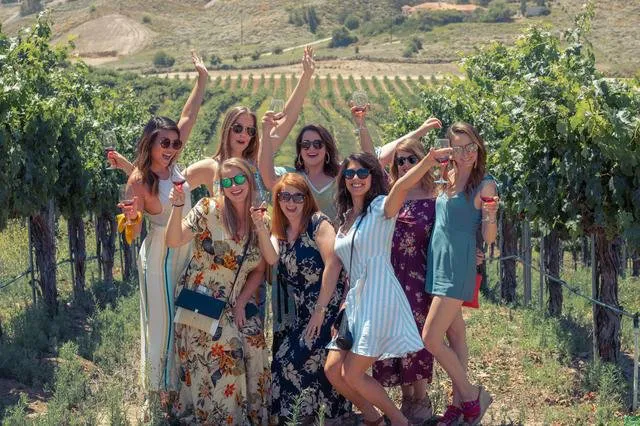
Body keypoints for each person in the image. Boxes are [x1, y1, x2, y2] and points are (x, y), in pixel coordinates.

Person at [324, 151, 449, 426]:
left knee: (352, 373)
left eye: (362, 173)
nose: (355, 179)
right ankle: (374, 418)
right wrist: (335, 308)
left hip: (378, 299)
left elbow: (402, 186)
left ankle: (396, 421)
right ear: (343, 179)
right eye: (349, 174)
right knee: (333, 370)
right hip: (354, 304)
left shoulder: (381, 207)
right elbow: (343, 266)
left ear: (373, 177)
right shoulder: (346, 218)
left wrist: (428, 161)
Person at [117, 52, 208, 397]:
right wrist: (131, 219)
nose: (171, 147)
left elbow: (188, 115)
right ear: (150, 144)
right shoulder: (140, 180)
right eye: (164, 143)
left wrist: (202, 80)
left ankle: (177, 389)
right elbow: (134, 231)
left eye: (175, 143)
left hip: (185, 251)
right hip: (158, 255)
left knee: (181, 317)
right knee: (161, 321)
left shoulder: (174, 165)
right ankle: (159, 393)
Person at [165, 158, 270, 425]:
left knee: (255, 342)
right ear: (219, 186)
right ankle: (223, 418)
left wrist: (241, 302)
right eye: (226, 182)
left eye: (239, 179)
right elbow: (174, 239)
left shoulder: (259, 217)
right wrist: (177, 206)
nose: (233, 186)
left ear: (249, 179)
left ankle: (252, 415)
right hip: (202, 299)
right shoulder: (207, 209)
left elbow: (259, 269)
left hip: (234, 300)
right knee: (226, 351)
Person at [251, 172, 351, 425]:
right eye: (285, 197)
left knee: (294, 362)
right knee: (283, 362)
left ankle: (324, 417)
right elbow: (272, 258)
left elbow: (334, 264)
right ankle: (302, 418)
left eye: (298, 196)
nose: (291, 203)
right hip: (299, 312)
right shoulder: (281, 229)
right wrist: (261, 227)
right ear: (278, 200)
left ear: (307, 199)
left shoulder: (318, 223)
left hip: (326, 306)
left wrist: (320, 310)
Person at [422, 122, 498, 425]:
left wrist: (491, 216)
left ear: (478, 147)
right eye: (458, 147)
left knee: (430, 338)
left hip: (457, 265)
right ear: (449, 150)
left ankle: (471, 395)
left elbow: (489, 238)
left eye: (470, 147)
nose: (465, 154)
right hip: (438, 262)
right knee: (455, 336)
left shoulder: (485, 183)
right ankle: (456, 406)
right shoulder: (448, 176)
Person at [371, 134, 441, 424]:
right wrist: (418, 130)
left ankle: (420, 398)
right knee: (396, 333)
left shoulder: (437, 193)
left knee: (418, 335)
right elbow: (376, 158)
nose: (406, 165)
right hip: (392, 273)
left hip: (421, 273)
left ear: (423, 160)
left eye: (413, 158)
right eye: (401, 161)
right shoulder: (390, 191)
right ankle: (405, 398)